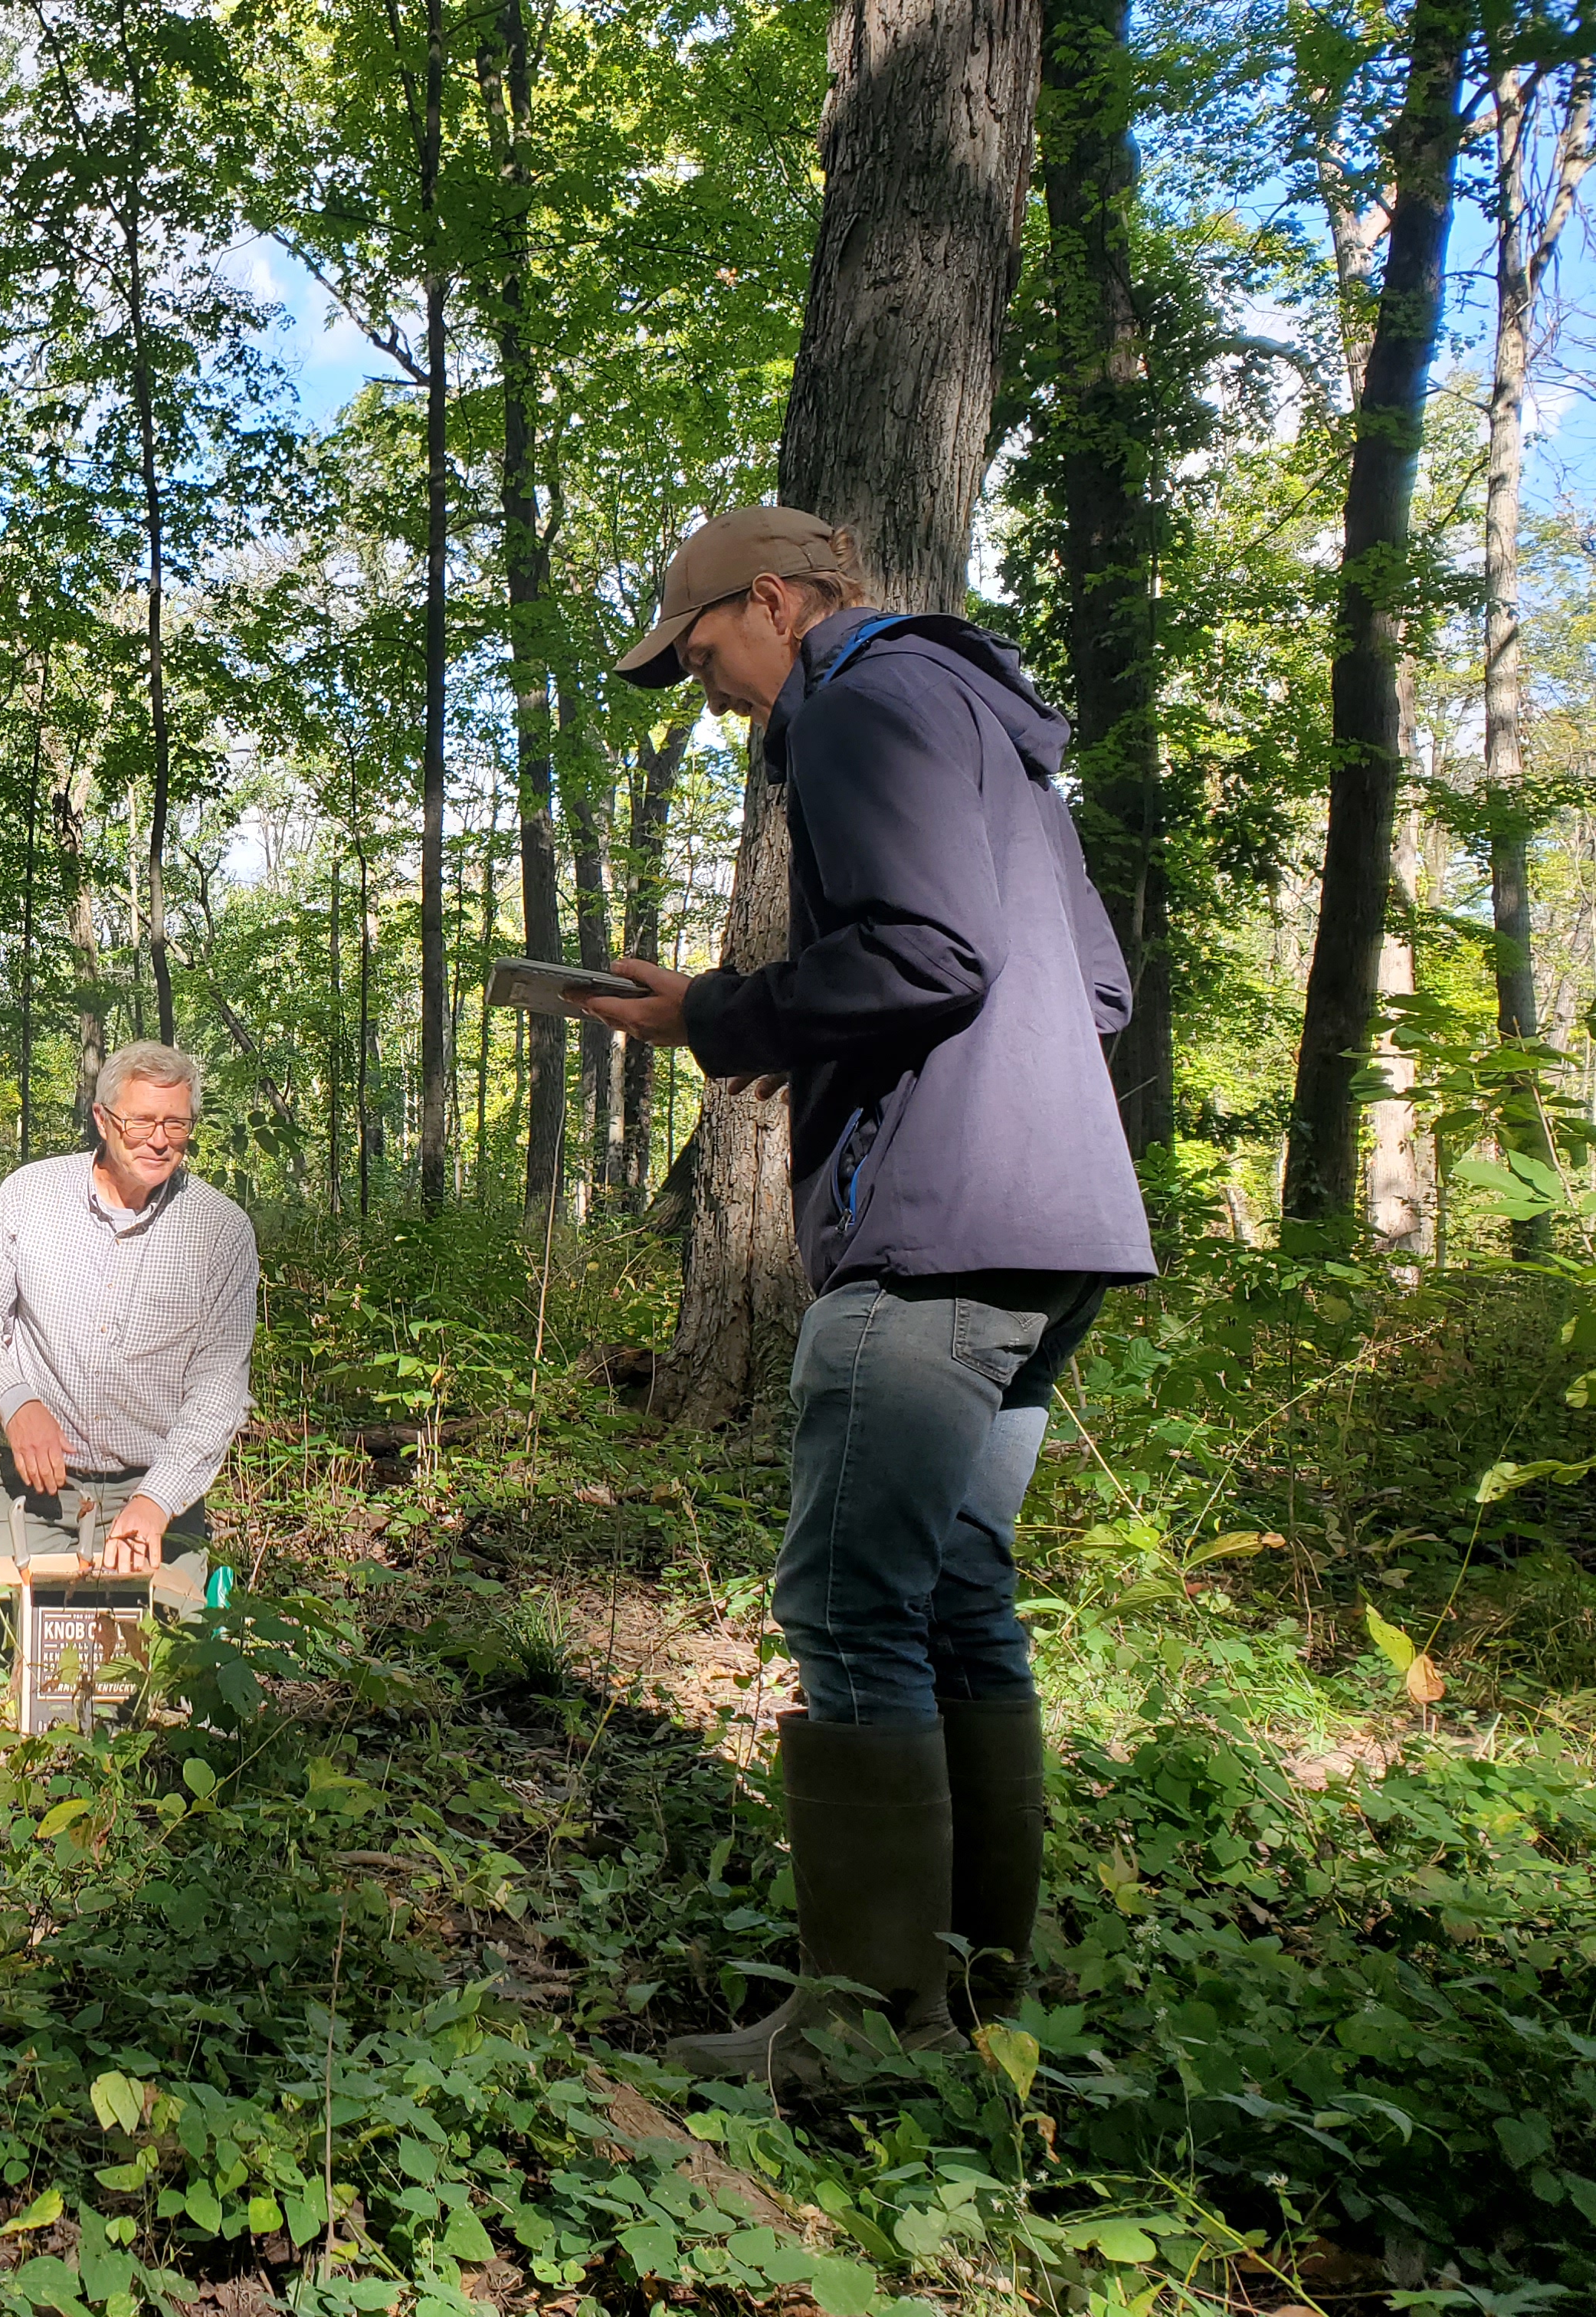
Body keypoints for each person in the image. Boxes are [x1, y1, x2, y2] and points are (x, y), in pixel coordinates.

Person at [573, 505, 1155, 2086]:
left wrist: (722, 1012)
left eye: (703, 654)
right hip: (1061, 1219)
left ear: (776, 604)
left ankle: (859, 2032)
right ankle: (975, 2012)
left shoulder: (857, 699)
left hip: (937, 1233)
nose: (710, 694)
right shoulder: (994, 728)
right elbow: (1092, 987)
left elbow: (924, 956)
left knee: (848, 1602)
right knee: (954, 1592)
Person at [0, 1043, 261, 1626]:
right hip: (34, 1494)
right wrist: (17, 1405)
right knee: (1, 1636)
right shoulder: (30, 1197)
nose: (159, 1140)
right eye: (141, 1121)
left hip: (152, 1494)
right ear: (102, 1118)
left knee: (166, 1660)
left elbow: (218, 1393)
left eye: (176, 1124)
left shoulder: (221, 1232)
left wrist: (157, 1502)